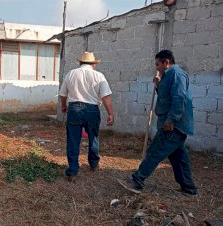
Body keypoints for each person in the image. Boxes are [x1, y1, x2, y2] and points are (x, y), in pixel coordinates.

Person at [119, 50, 198, 195]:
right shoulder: (168, 76)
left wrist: (171, 120)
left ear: (166, 62)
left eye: (158, 64)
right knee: (179, 157)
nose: (157, 68)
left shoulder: (177, 75)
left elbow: (179, 99)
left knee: (154, 152)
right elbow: (166, 97)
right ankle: (189, 188)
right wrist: (158, 85)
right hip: (173, 124)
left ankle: (137, 181)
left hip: (173, 125)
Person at [59, 52, 114, 181]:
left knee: (73, 140)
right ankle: (94, 163)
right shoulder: (99, 76)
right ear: (94, 64)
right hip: (92, 110)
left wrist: (63, 106)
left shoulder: (71, 73)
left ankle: (72, 171)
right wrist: (110, 113)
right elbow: (106, 97)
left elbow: (63, 94)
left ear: (80, 63)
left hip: (74, 109)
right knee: (93, 137)